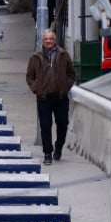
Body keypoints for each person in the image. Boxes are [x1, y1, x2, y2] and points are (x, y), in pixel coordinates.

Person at [26, 29, 76, 164]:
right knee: (45, 125)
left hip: (60, 97)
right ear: (43, 41)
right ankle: (47, 153)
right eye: (46, 39)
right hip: (44, 98)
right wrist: (36, 89)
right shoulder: (35, 57)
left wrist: (66, 86)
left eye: (51, 39)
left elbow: (71, 73)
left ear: (55, 40)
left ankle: (59, 146)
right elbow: (30, 77)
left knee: (63, 124)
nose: (48, 41)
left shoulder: (64, 55)